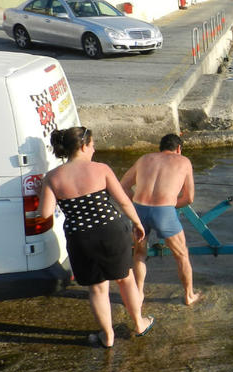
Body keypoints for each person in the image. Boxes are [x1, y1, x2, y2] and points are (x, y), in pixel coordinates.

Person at [40, 126, 154, 347]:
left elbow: (45, 214)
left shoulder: (52, 177)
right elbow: (123, 201)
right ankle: (139, 323)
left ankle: (108, 336)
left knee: (97, 288)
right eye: (91, 145)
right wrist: (138, 224)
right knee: (125, 278)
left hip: (79, 237)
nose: (93, 149)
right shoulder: (101, 169)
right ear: (83, 146)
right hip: (111, 230)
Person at [120, 134, 200, 306]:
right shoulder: (184, 161)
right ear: (179, 149)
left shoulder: (144, 159)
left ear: (160, 147)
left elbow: (123, 186)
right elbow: (189, 198)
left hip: (139, 210)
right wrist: (170, 205)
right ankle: (189, 295)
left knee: (140, 253)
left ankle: (139, 294)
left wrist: (135, 202)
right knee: (181, 255)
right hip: (164, 212)